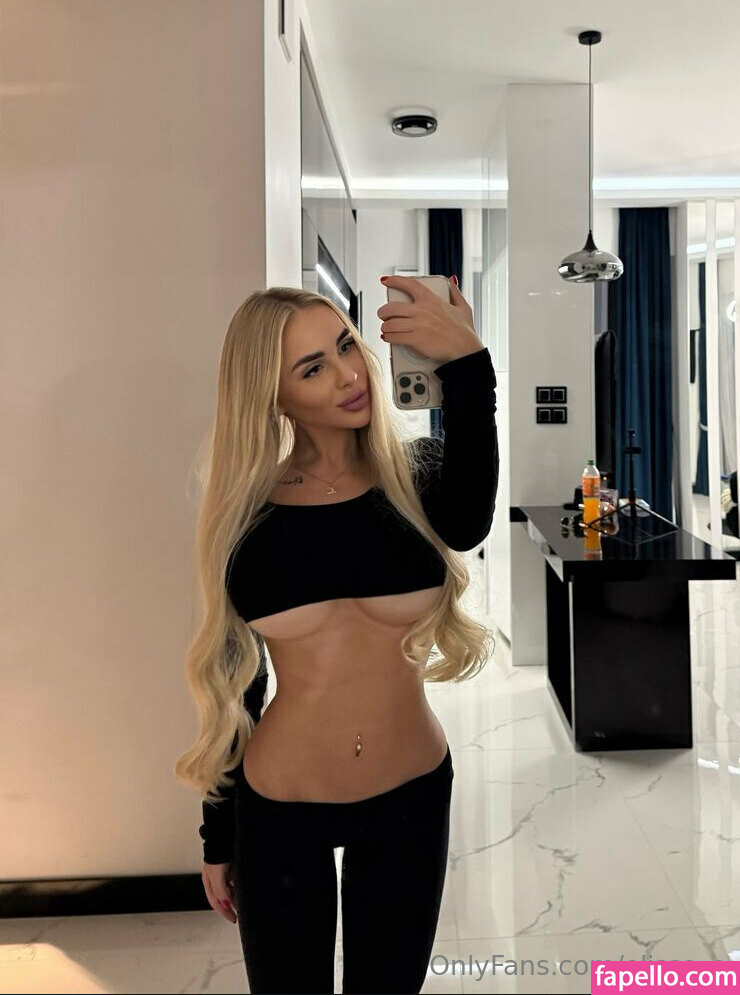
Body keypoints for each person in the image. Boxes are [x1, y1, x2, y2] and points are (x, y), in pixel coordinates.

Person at [174, 274, 500, 994]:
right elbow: (236, 688)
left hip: (411, 791)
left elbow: (471, 519)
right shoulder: (248, 521)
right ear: (272, 395)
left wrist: (467, 361)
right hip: (280, 805)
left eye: (347, 346)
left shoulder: (419, 480)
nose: (350, 375)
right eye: (313, 367)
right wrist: (218, 835)